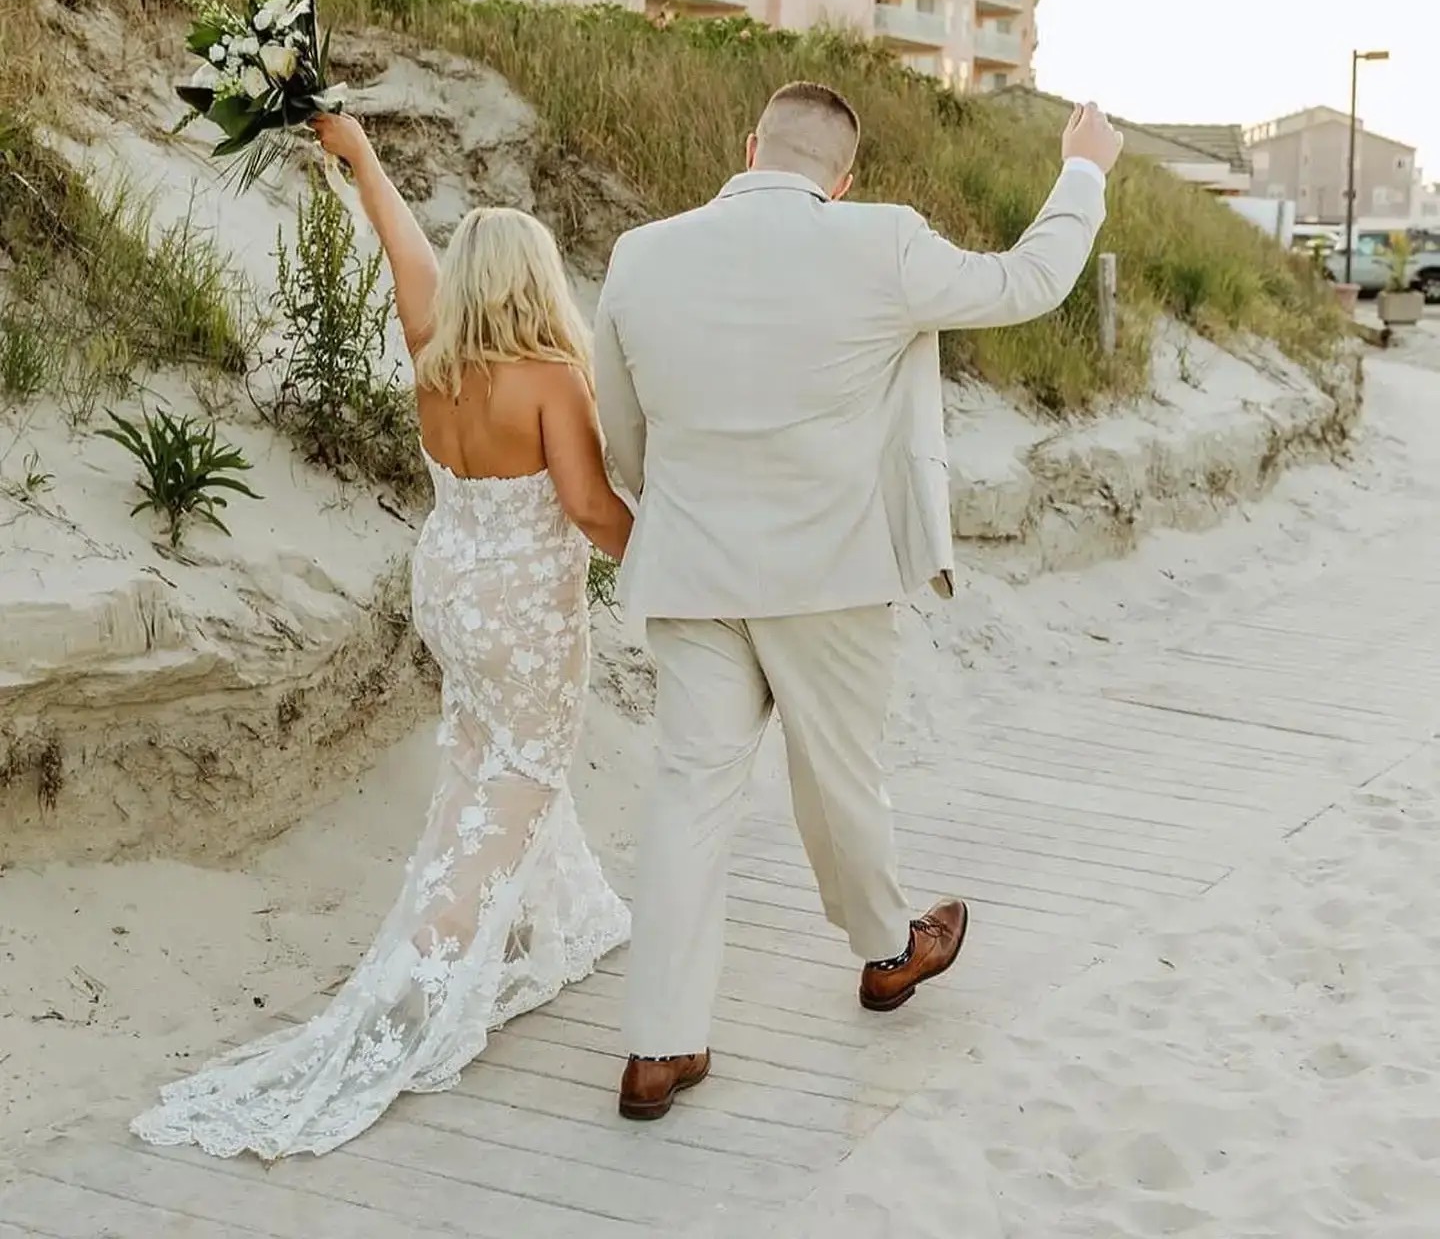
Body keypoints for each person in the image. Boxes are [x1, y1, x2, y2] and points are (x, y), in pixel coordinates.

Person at [595, 84, 1122, 1120]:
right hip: (830, 573)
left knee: (688, 800)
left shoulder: (639, 254)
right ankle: (887, 952)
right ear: (842, 179)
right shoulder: (880, 242)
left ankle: (656, 1048)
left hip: (692, 568)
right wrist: (1084, 167)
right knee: (840, 779)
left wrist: (686, 512)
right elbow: (1029, 280)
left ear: (749, 145)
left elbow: (622, 431)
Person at [132, 113, 632, 1160]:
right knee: (524, 771)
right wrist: (672, 553)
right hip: (522, 610)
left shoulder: (433, 346)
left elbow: (398, 238)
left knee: (479, 758)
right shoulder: (549, 377)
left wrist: (361, 157)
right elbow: (590, 512)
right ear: (538, 281)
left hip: (448, 588)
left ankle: (545, 920)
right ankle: (423, 978)